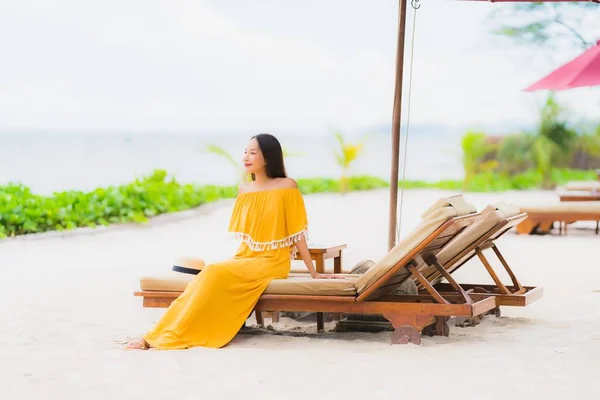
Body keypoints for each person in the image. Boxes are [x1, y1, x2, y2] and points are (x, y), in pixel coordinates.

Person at [125, 133, 344, 350]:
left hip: (272, 262)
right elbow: (249, 236)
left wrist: (314, 272)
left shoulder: (287, 186)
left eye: (253, 152)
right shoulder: (244, 190)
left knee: (213, 272)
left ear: (267, 157)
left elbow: (298, 235)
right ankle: (156, 334)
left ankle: (162, 336)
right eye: (245, 152)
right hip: (245, 258)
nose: (246, 157)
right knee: (207, 276)